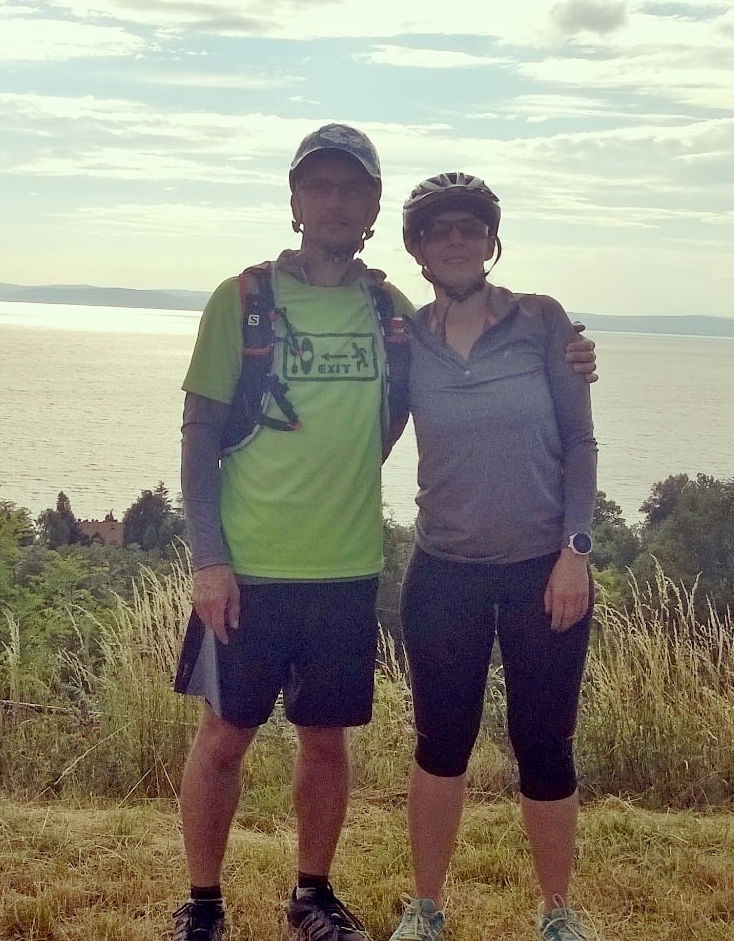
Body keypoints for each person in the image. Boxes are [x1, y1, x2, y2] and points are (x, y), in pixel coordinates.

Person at [170, 128, 597, 941]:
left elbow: (411, 404)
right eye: (318, 186)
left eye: (351, 189)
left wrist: (572, 353)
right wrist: (208, 559)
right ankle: (203, 906)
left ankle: (313, 898)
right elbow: (198, 435)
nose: (334, 202)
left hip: (347, 564)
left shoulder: (392, 313)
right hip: (249, 565)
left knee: (325, 740)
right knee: (223, 736)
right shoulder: (244, 298)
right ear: (295, 201)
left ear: (372, 210)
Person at [387, 174, 597, 941]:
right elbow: (368, 430)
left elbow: (580, 443)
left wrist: (575, 552)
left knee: (545, 745)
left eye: (470, 228)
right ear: (416, 249)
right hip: (445, 570)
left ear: (490, 240)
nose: (456, 240)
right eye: (438, 230)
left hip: (545, 569)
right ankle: (426, 909)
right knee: (440, 744)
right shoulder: (405, 340)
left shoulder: (543, 321)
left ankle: (557, 912)